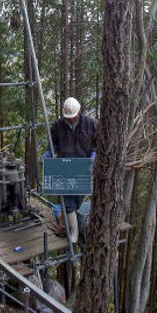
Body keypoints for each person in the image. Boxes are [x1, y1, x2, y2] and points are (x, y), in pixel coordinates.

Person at [43, 97, 97, 243]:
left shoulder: (90, 124)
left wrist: (94, 154)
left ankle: (62, 218)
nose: (71, 119)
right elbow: (53, 144)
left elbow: (97, 143)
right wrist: (49, 153)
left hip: (83, 167)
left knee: (78, 201)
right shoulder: (58, 125)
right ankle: (74, 233)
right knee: (68, 202)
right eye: (68, 117)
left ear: (78, 113)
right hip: (65, 166)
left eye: (73, 117)